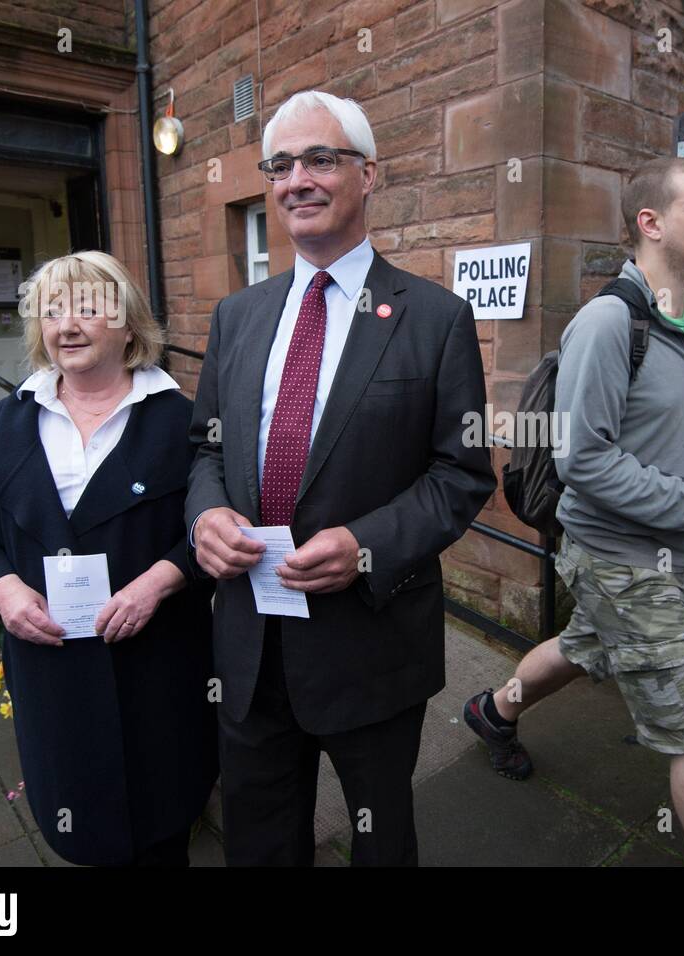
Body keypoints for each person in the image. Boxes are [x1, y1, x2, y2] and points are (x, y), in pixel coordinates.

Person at [185, 90, 494, 867]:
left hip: (370, 644)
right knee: (259, 842)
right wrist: (205, 518)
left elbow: (461, 473)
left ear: (369, 174)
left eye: (320, 158)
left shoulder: (435, 318)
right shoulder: (237, 317)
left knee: (380, 841)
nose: (297, 180)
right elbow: (206, 450)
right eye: (281, 165)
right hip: (250, 646)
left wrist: (363, 543)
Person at [462, 157, 684, 866]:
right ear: (651, 223)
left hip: (663, 552)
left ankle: (493, 711)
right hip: (617, 557)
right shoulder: (607, 324)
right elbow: (586, 462)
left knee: (586, 646)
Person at [0, 251, 217, 866]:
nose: (67, 324)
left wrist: (161, 581)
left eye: (89, 309)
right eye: (52, 311)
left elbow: (214, 530)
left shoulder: (182, 420)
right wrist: (5, 590)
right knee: (78, 828)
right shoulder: (9, 423)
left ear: (129, 325)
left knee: (161, 828)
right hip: (52, 671)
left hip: (157, 665)